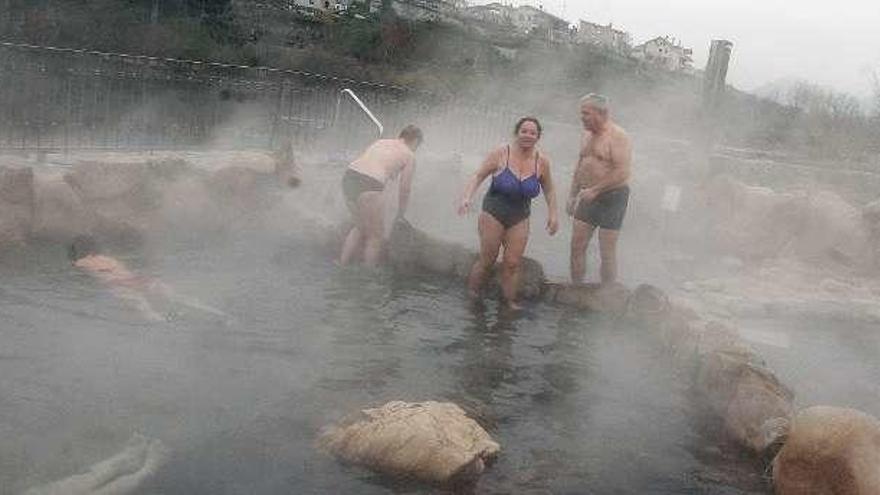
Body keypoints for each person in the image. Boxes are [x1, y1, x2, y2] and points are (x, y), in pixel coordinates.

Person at [458, 117, 559, 309]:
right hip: (494, 211)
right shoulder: (501, 153)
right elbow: (479, 175)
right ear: (517, 133)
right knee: (488, 259)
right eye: (524, 131)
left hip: (520, 215)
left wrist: (553, 214)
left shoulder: (541, 161)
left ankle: (509, 303)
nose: (528, 135)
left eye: (532, 133)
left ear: (538, 137)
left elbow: (550, 189)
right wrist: (467, 198)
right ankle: (473, 294)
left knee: (512, 263)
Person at [69, 235, 225, 322]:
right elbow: (124, 271)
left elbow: (104, 276)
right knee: (179, 298)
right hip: (139, 279)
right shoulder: (109, 258)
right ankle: (219, 314)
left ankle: (165, 326)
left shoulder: (81, 262)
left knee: (145, 308)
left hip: (118, 285)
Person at [567, 93, 632, 285]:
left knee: (607, 250)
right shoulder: (586, 134)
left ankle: (607, 294)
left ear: (601, 113)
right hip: (587, 195)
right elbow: (581, 165)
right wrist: (571, 195)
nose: (582, 117)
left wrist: (596, 190)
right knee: (577, 245)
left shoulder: (618, 136)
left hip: (613, 197)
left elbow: (622, 172)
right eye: (581, 113)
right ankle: (577, 289)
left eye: (586, 113)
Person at [338, 125, 423, 266]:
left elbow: (377, 166)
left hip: (349, 177)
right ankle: (368, 277)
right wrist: (401, 213)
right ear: (415, 141)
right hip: (369, 183)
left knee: (359, 226)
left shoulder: (381, 142)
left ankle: (342, 263)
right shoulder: (409, 155)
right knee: (376, 236)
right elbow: (405, 187)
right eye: (417, 146)